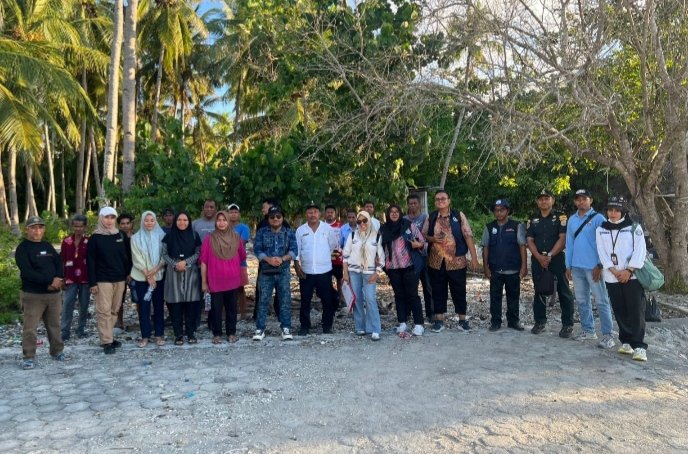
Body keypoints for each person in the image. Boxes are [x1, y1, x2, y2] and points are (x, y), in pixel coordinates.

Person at [596, 196, 648, 361]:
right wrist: (614, 271)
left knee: (635, 310)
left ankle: (639, 346)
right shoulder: (601, 229)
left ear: (623, 211)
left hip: (631, 276)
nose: (613, 213)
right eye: (610, 210)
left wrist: (628, 271)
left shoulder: (634, 227)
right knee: (619, 309)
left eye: (617, 210)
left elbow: (640, 251)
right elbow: (602, 252)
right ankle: (626, 342)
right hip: (612, 276)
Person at [422, 190, 480, 332]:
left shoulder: (458, 216)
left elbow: (468, 236)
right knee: (437, 291)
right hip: (436, 262)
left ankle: (462, 320)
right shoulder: (431, 217)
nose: (440, 201)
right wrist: (432, 239)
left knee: (459, 291)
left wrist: (474, 258)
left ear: (449, 200)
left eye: (443, 198)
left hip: (457, 261)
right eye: (437, 199)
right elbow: (423, 235)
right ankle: (439, 321)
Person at [565, 189, 615, 349]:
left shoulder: (599, 219)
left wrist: (600, 265)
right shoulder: (572, 220)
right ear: (575, 202)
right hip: (577, 267)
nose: (581, 202)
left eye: (584, 199)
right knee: (582, 300)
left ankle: (608, 335)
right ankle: (588, 331)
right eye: (578, 199)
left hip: (594, 268)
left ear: (591, 200)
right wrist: (568, 265)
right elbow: (569, 244)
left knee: (601, 300)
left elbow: (607, 243)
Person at [15, 216, 65, 369]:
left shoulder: (47, 246)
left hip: (53, 295)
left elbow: (59, 263)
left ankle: (57, 351)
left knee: (54, 325)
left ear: (43, 230)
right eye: (33, 228)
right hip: (33, 295)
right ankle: (29, 357)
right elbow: (27, 272)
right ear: (27, 230)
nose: (37, 231)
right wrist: (48, 282)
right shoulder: (23, 248)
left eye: (40, 227)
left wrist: (58, 278)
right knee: (30, 328)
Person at [526, 189, 575, 337]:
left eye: (546, 198)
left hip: (557, 259)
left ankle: (567, 324)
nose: (544, 201)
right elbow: (530, 240)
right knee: (539, 290)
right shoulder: (532, 219)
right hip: (538, 260)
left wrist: (550, 256)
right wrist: (538, 257)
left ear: (552, 200)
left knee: (563, 291)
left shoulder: (561, 217)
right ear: (537, 202)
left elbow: (563, 238)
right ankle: (540, 321)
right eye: (541, 199)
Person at [88, 207, 132, 354]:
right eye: (106, 217)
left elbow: (127, 256)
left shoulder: (120, 235)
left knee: (114, 309)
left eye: (112, 217)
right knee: (104, 310)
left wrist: (128, 272)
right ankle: (106, 341)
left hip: (120, 278)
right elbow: (90, 261)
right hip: (102, 279)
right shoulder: (95, 238)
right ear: (101, 218)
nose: (109, 220)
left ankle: (109, 336)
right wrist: (92, 282)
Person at [200, 210, 247, 344]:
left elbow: (242, 256)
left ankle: (231, 333)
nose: (221, 223)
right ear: (215, 222)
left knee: (231, 308)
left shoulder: (236, 238)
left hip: (232, 279)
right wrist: (204, 282)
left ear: (228, 222)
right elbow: (203, 261)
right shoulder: (209, 239)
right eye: (219, 220)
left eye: (224, 220)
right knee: (216, 309)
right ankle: (217, 334)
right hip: (215, 280)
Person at [252, 206, 298, 341]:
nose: (275, 219)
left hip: (283, 271)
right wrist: (268, 259)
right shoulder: (262, 232)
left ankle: (286, 328)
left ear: (282, 218)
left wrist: (282, 259)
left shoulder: (289, 233)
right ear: (268, 219)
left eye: (278, 216)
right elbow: (257, 249)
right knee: (263, 300)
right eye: (272, 217)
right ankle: (260, 329)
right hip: (266, 271)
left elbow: (294, 250)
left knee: (285, 300)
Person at [481, 199, 527, 331]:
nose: (499, 213)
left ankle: (513, 321)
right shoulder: (489, 227)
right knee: (495, 297)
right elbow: (485, 247)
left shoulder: (517, 226)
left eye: (502, 210)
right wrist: (485, 267)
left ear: (507, 211)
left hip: (513, 269)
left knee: (513, 297)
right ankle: (495, 322)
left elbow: (522, 246)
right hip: (495, 270)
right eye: (496, 210)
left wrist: (524, 266)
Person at [380, 204, 426, 336]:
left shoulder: (409, 226)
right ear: (388, 214)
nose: (394, 214)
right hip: (393, 268)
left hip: (409, 266)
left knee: (412, 295)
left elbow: (423, 242)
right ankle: (402, 323)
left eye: (396, 211)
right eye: (391, 212)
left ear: (400, 213)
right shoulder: (383, 229)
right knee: (399, 296)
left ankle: (419, 324)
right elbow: (379, 247)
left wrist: (418, 244)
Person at [294, 202, 339, 335]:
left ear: (320, 214)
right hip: (306, 271)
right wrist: (296, 264)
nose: (312, 215)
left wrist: (322, 257)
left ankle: (327, 326)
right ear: (306, 215)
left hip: (324, 271)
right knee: (305, 300)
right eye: (310, 212)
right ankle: (305, 326)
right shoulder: (300, 230)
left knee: (327, 299)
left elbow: (332, 245)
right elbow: (297, 249)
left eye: (315, 212)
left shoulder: (327, 229)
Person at [342, 211, 385, 340]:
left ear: (369, 221)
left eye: (364, 221)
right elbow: (345, 255)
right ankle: (360, 327)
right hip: (354, 272)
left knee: (370, 299)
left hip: (369, 273)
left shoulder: (376, 236)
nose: (362, 224)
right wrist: (345, 273)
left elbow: (382, 259)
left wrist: (377, 273)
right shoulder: (352, 235)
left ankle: (375, 329)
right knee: (357, 299)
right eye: (359, 221)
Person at [162, 211, 202, 345]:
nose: (182, 222)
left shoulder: (194, 235)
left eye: (185, 220)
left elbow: (198, 252)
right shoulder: (168, 236)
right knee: (175, 305)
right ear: (175, 221)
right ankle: (178, 334)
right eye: (179, 220)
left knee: (191, 304)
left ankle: (190, 333)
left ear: (189, 222)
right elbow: (164, 254)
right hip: (173, 273)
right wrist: (175, 264)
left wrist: (185, 262)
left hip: (191, 273)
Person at [130, 211, 166, 347]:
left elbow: (164, 256)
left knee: (158, 306)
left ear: (155, 221)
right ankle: (145, 336)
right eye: (146, 220)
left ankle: (159, 334)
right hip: (141, 278)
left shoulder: (162, 236)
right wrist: (148, 276)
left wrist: (154, 272)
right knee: (144, 307)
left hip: (158, 276)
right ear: (142, 222)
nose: (149, 223)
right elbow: (137, 258)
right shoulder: (135, 238)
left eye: (152, 220)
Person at [60, 214, 90, 341]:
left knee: (84, 305)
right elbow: (62, 260)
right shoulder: (66, 241)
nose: (78, 229)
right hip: (70, 278)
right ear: (72, 226)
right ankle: (65, 330)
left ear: (85, 227)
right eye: (76, 226)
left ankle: (81, 329)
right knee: (67, 304)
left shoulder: (89, 242)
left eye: (81, 226)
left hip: (85, 278)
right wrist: (61, 278)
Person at [404, 194, 433, 323]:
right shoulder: (404, 219)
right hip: (409, 258)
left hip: (424, 256)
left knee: (428, 286)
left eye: (415, 203)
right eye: (410, 203)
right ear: (407, 205)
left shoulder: (426, 218)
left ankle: (430, 313)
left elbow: (429, 236)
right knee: (410, 287)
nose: (413, 206)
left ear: (419, 204)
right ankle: (408, 312)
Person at [227, 203, 250, 320]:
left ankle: (243, 314)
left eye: (235, 212)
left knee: (240, 288)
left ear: (239, 214)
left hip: (240, 262)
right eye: (231, 212)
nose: (233, 214)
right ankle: (225, 314)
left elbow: (241, 243)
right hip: (224, 262)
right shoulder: (223, 226)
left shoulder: (244, 228)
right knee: (225, 288)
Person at [115, 212, 134, 331]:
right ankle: (119, 322)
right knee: (119, 298)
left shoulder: (137, 237)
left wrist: (132, 273)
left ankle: (142, 320)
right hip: (120, 272)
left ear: (132, 224)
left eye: (127, 223)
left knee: (138, 297)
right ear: (119, 225)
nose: (125, 226)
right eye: (122, 223)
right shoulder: (115, 238)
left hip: (136, 271)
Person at [324, 204, 344, 307]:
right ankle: (330, 299)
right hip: (325, 259)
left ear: (335, 214)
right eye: (328, 212)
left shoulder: (341, 226)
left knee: (340, 280)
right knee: (326, 281)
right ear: (324, 214)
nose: (330, 214)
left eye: (332, 212)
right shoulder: (321, 226)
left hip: (338, 259)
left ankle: (341, 299)